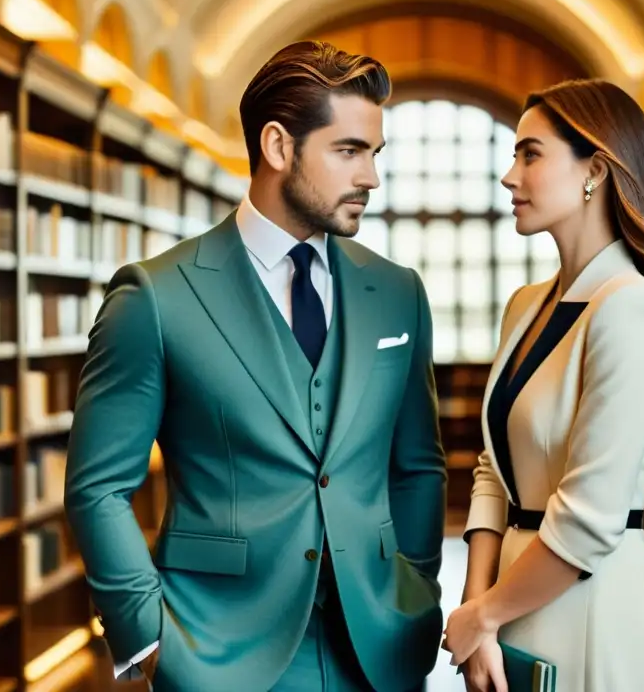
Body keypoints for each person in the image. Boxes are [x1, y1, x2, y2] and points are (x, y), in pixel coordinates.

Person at [64, 40, 447, 692]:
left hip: (378, 651)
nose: (371, 178)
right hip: (216, 654)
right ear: (277, 147)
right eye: (349, 151)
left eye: (375, 155)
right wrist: (149, 638)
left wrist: (412, 589)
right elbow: (98, 487)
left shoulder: (398, 293)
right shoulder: (156, 297)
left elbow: (418, 465)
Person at [441, 78, 644, 692]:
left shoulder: (629, 306)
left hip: (591, 613)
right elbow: (491, 472)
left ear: (596, 171)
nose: (510, 176)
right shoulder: (524, 306)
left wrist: (483, 614)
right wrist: (477, 608)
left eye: (530, 154)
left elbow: (590, 520)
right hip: (508, 615)